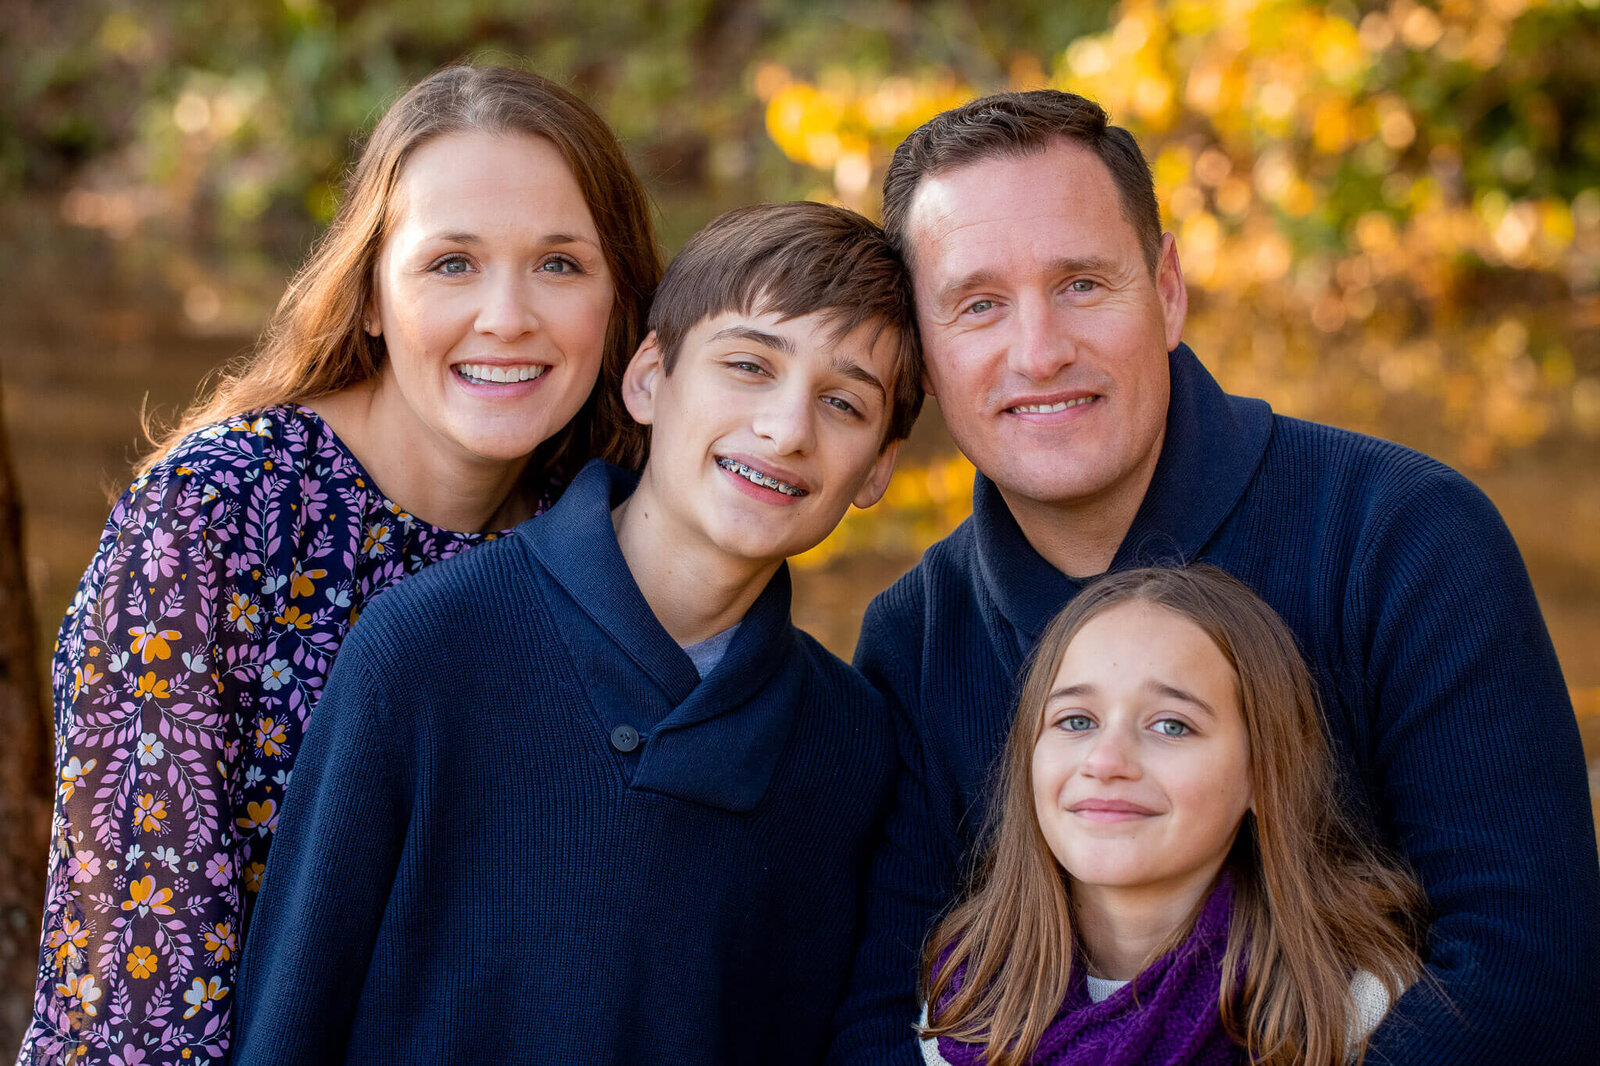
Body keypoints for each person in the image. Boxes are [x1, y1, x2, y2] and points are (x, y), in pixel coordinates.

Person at [827, 90, 1600, 1064]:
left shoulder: (1404, 536)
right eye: (977, 304)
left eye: (1080, 284)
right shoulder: (916, 635)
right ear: (925, 358)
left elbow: (1527, 969)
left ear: (1168, 289)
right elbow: (878, 1017)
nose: (1037, 350)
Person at [19, 64, 661, 1066]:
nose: (506, 316)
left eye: (559, 264)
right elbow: (133, 989)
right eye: (451, 263)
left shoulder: (616, 534)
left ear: (620, 300)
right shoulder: (207, 521)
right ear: (368, 294)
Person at [229, 200, 923, 1065]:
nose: (786, 430)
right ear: (648, 378)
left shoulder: (848, 744)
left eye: (845, 404)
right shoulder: (427, 650)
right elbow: (288, 1022)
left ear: (879, 468)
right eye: (747, 365)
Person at [917, 566, 1425, 1066]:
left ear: (1265, 773)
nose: (1106, 761)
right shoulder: (963, 1008)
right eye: (1076, 720)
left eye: (1171, 726)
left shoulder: (1352, 1011)